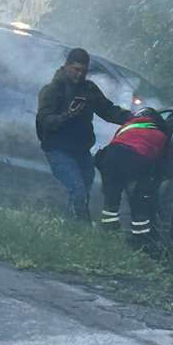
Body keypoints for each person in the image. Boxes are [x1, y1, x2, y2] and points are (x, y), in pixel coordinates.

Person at [36, 48, 132, 220]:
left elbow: (108, 110)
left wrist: (133, 119)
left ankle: (70, 228)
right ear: (66, 67)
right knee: (78, 190)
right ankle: (80, 229)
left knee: (83, 193)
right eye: (76, 69)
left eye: (83, 71)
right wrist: (68, 115)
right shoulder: (52, 90)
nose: (79, 75)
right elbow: (45, 120)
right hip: (57, 150)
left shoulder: (88, 89)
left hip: (81, 151)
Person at [95, 107, 170, 248]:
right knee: (139, 201)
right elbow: (160, 160)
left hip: (110, 159)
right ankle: (140, 241)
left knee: (111, 200)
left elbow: (115, 143)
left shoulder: (126, 127)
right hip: (136, 159)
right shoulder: (160, 135)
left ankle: (108, 234)